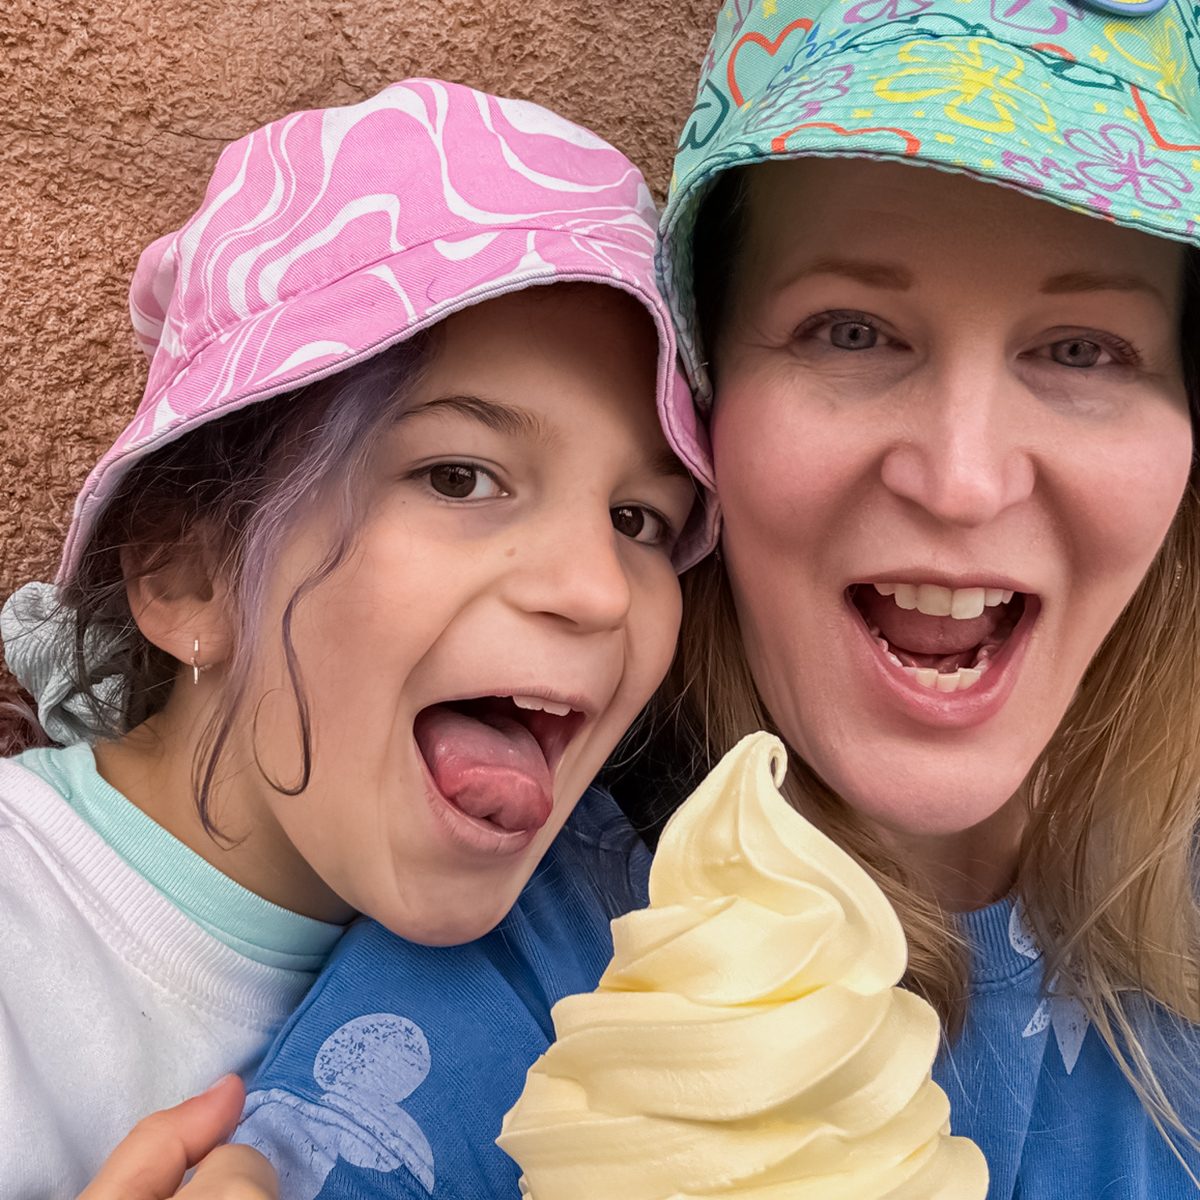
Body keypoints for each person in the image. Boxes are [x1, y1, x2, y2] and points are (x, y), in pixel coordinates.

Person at [85, 0, 1200, 1194]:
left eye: (1085, 348)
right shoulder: (548, 985)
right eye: (851, 329)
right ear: (711, 410)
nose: (965, 480)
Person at [0, 76, 716, 1198]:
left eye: (642, 521)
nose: (599, 591)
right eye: (460, 476)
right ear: (187, 573)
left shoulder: (618, 962)